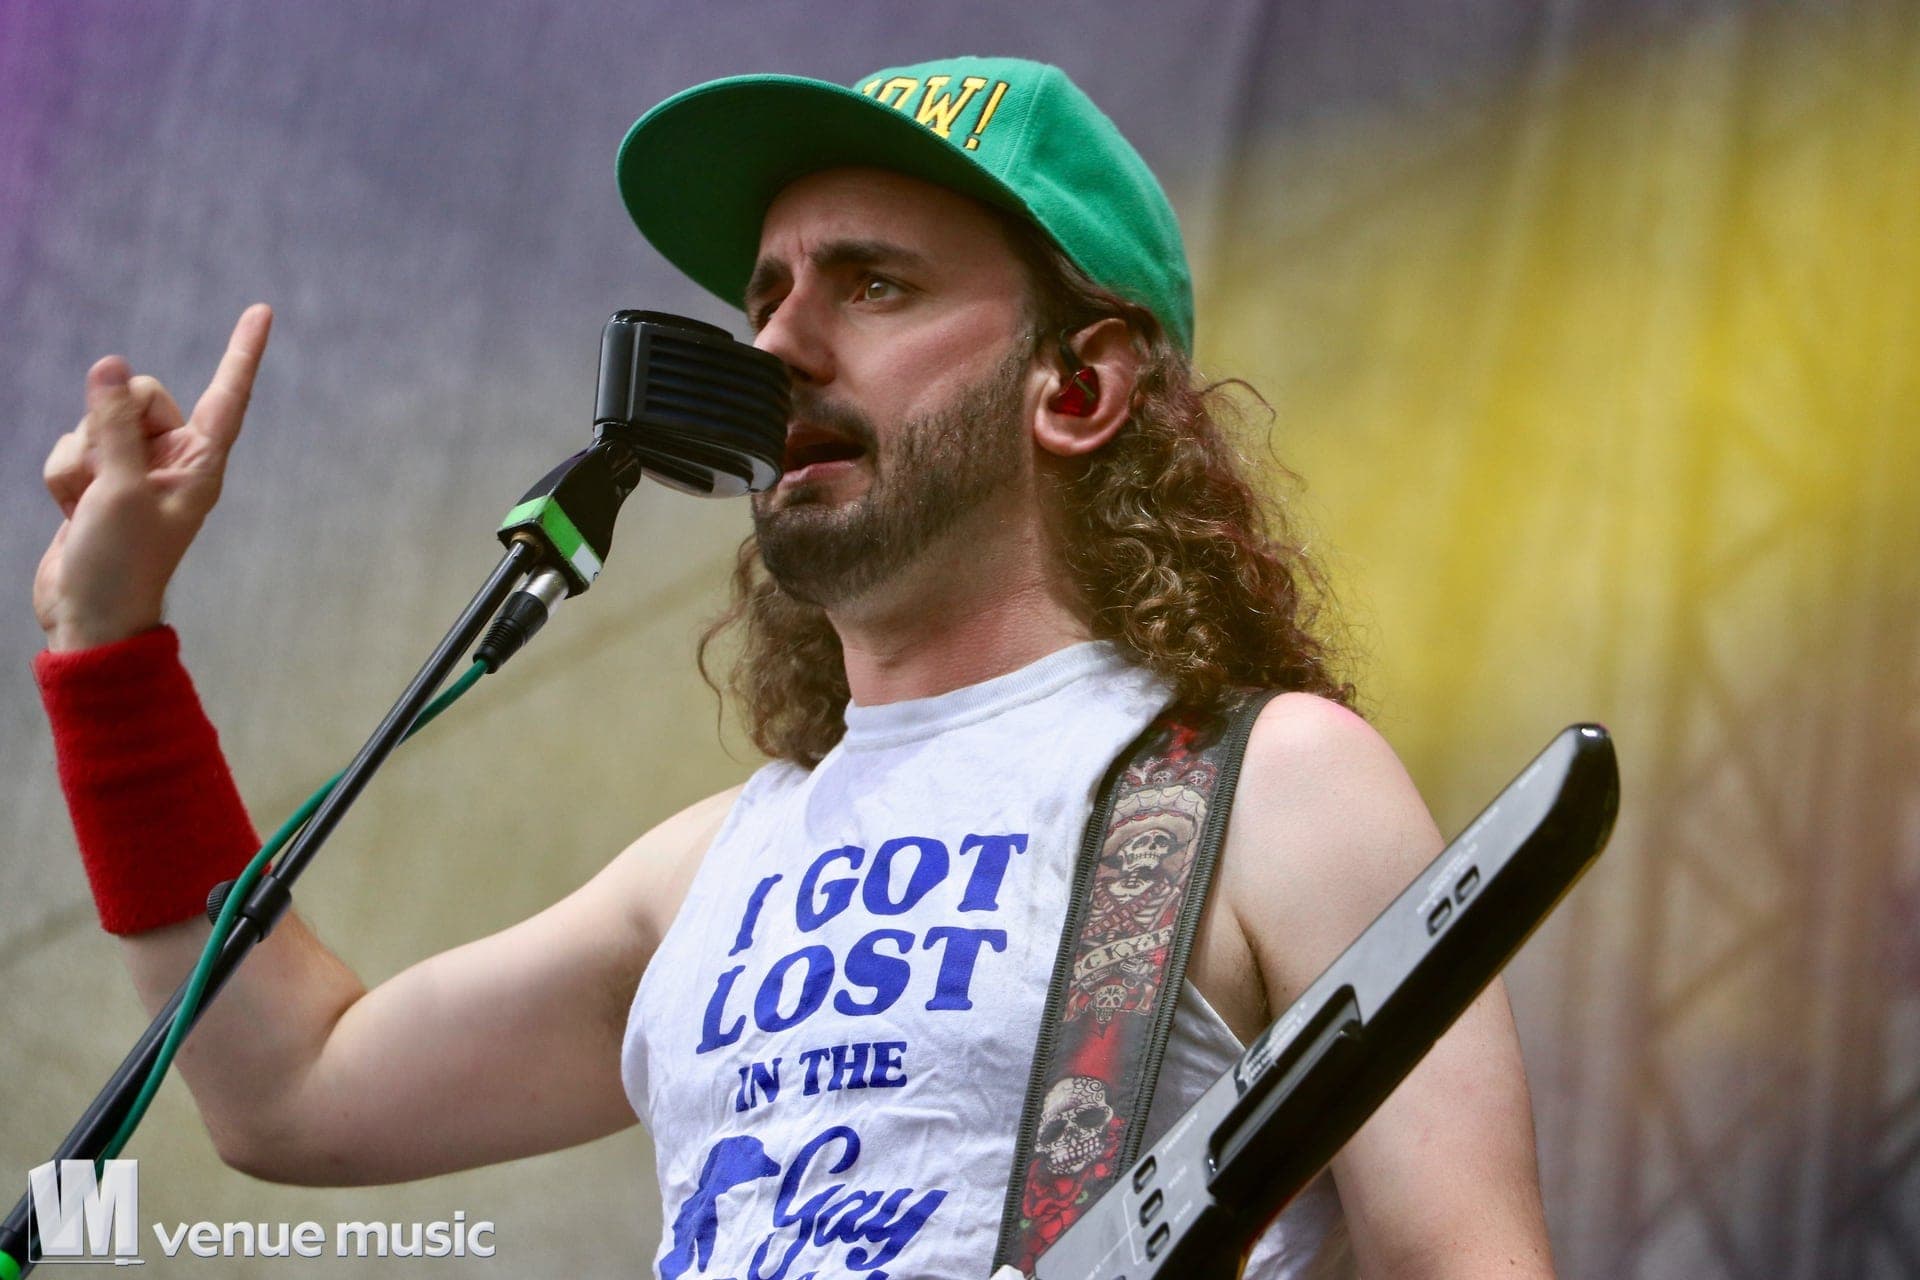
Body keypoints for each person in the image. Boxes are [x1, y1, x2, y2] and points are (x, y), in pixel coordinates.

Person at [32, 57, 1555, 1279]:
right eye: (764, 296)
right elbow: (287, 1089)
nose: (772, 349)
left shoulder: (1274, 787)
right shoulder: (708, 870)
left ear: (1080, 387)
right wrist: (109, 648)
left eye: (873, 286)